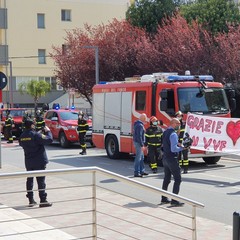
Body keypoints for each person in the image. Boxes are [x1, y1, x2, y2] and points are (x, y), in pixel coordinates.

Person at [19, 118, 53, 208]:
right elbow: (49, 140)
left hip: (29, 161)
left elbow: (23, 143)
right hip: (39, 161)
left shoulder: (22, 136)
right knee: (41, 181)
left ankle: (31, 200)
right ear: (32, 125)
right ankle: (43, 200)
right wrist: (48, 131)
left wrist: (38, 133)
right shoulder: (36, 135)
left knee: (29, 180)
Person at [160, 118, 188, 207]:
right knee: (178, 179)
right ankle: (174, 200)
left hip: (165, 158)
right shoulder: (173, 134)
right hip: (172, 158)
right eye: (178, 124)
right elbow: (173, 149)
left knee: (167, 178)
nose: (179, 125)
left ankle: (164, 198)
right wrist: (182, 148)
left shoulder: (165, 132)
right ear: (173, 123)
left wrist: (177, 144)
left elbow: (165, 144)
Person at [133, 113, 149, 177]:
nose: (146, 120)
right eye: (145, 118)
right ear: (144, 119)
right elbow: (139, 136)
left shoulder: (137, 124)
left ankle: (142, 171)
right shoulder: (140, 125)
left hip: (138, 142)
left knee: (141, 157)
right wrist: (142, 145)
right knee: (138, 158)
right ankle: (136, 172)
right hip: (139, 143)